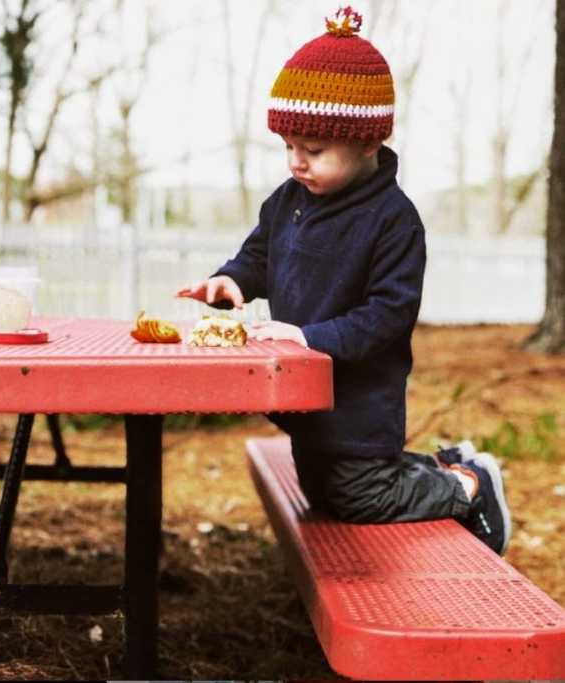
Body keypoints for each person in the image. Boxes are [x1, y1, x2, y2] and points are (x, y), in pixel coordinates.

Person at [177, 6, 512, 554]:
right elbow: (261, 255)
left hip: (358, 400)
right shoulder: (289, 201)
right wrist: (232, 281)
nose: (296, 163)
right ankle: (444, 465)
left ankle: (468, 485)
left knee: (364, 496)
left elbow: (387, 315)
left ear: (366, 143)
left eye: (313, 151)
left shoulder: (393, 220)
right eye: (288, 147)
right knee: (323, 490)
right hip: (307, 403)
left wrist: (307, 338)